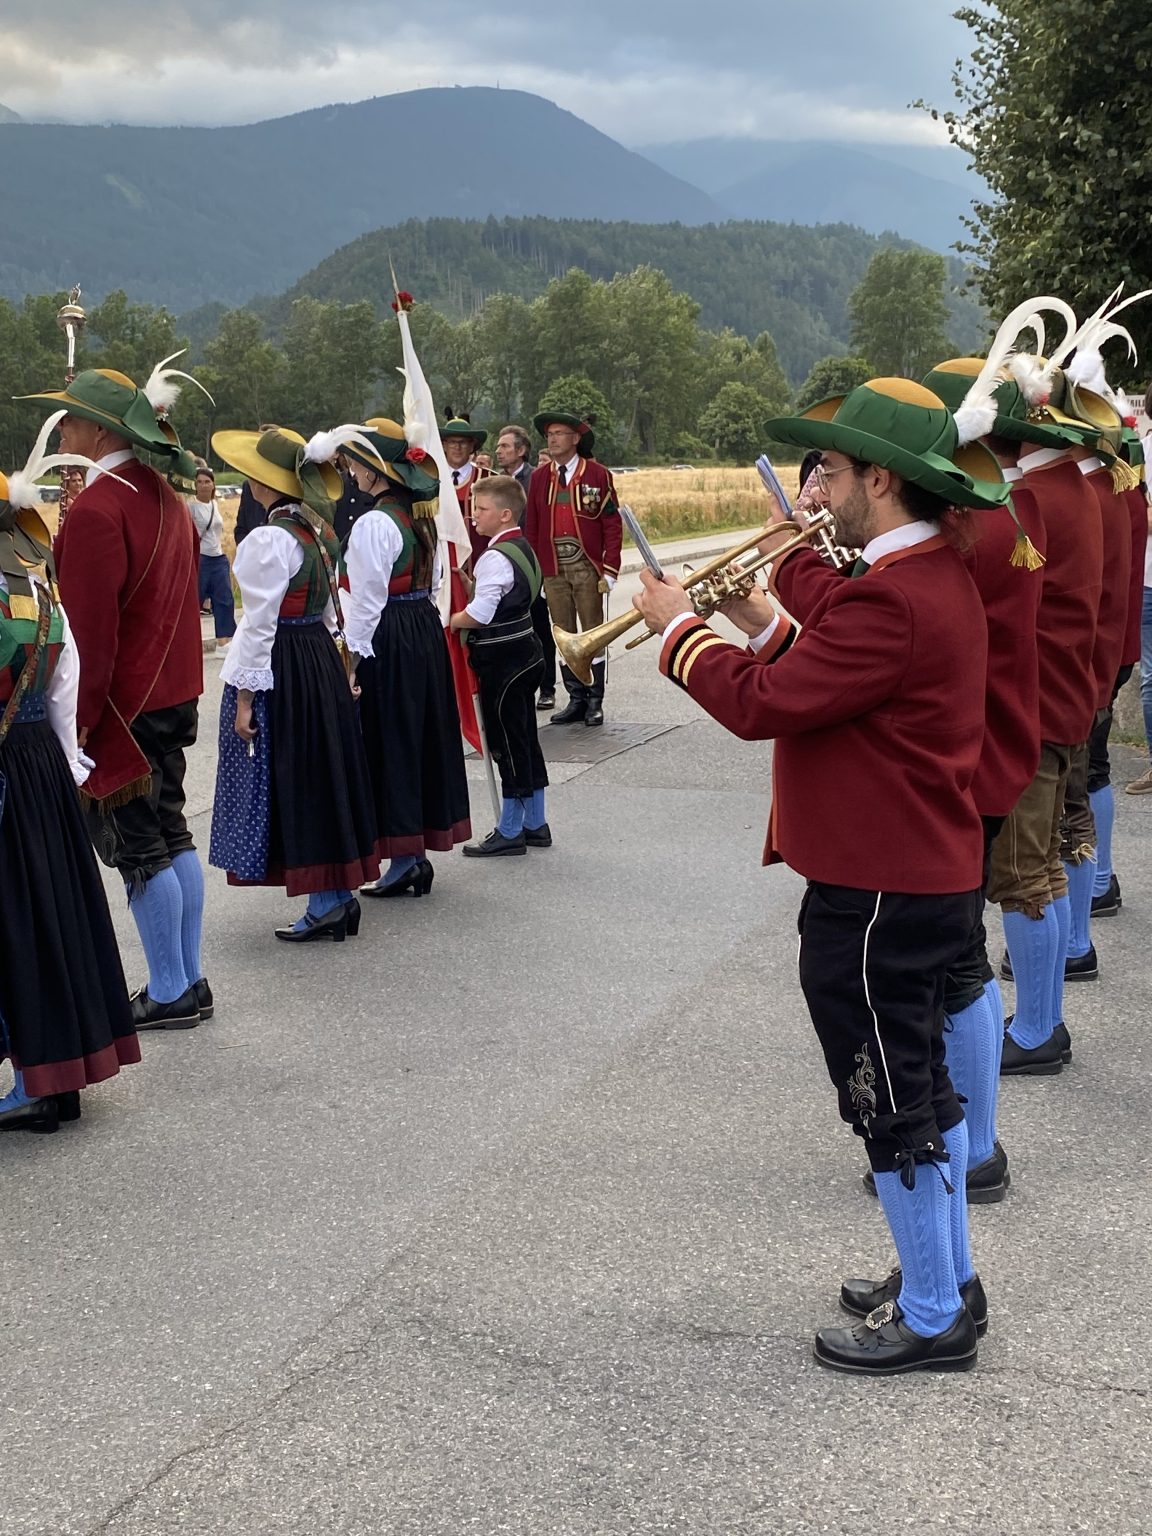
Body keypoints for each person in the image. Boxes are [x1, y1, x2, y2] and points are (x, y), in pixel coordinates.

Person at [634, 377, 1010, 1377]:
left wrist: (678, 632)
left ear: (879, 481)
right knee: (920, 1089)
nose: (816, 490)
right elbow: (834, 677)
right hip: (909, 873)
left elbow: (766, 704)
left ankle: (933, 1313)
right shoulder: (919, 576)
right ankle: (946, 1278)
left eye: (830, 472)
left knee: (890, 1099)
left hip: (880, 886)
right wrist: (758, 615)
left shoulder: (895, 594)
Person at [22, 360, 209, 1031]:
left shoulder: (98, 510)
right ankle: (188, 978)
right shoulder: (161, 492)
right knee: (171, 831)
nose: (63, 429)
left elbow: (89, 637)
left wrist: (76, 719)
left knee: (139, 847)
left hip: (124, 708)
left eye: (71, 419)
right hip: (172, 692)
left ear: (99, 431)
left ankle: (169, 988)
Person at [0, 421, 140, 1133]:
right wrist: (64, 766)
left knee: (14, 924)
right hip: (40, 767)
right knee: (50, 916)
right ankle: (61, 1075)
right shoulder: (38, 587)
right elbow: (64, 688)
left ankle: (34, 1083)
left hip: (6, 772)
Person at [208, 426, 380, 940]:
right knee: (322, 772)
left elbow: (259, 625)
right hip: (315, 656)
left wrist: (244, 698)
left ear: (264, 483)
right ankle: (336, 896)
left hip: (283, 661)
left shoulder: (269, 539)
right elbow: (331, 609)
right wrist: (339, 667)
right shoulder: (314, 531)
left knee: (298, 777)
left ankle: (326, 901)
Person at [339, 418, 472, 896]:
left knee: (390, 739)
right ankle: (412, 856)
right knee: (416, 736)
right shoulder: (419, 515)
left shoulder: (374, 523)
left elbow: (366, 604)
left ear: (375, 472)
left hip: (390, 632)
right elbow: (434, 582)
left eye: (356, 465)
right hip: (420, 626)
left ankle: (404, 858)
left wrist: (350, 664)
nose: (351, 472)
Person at [451, 475, 550, 856]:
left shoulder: (494, 556)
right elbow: (510, 597)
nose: (474, 515)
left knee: (506, 743)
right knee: (526, 739)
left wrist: (450, 619)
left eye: (481, 509)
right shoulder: (521, 547)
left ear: (505, 514)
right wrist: (472, 586)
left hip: (503, 662)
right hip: (526, 652)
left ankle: (510, 829)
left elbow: (480, 615)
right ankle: (535, 823)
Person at [524, 409, 622, 728]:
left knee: (593, 633)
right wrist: (538, 572)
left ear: (576, 439)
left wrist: (610, 568)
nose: (552, 439)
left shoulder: (597, 474)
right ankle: (575, 699)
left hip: (586, 565)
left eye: (559, 434)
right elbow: (533, 527)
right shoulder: (540, 477)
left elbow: (612, 523)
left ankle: (595, 700)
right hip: (553, 567)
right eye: (549, 434)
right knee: (562, 633)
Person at [496, 423, 556, 710]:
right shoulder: (496, 482)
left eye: (505, 446)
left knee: (540, 629)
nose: (499, 451)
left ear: (521, 450)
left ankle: (547, 687)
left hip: (531, 565)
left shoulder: (537, 479)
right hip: (503, 564)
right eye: (498, 446)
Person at [1126, 391, 1152, 796]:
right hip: (1145, 578)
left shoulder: (1138, 453)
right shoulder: (1140, 452)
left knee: (1150, 677)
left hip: (1145, 577)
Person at [188, 465, 235, 657]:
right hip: (201, 558)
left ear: (213, 484)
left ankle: (223, 642)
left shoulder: (215, 504)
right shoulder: (191, 507)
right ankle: (188, 643)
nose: (203, 485)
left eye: (207, 481)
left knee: (224, 600)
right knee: (195, 601)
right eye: (199, 482)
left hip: (218, 557)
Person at [442, 414, 491, 566]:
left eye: (462, 442)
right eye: (452, 442)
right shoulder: (431, 478)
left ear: (471, 446)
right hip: (441, 563)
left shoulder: (490, 480)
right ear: (444, 445)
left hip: (480, 562)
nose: (457, 447)